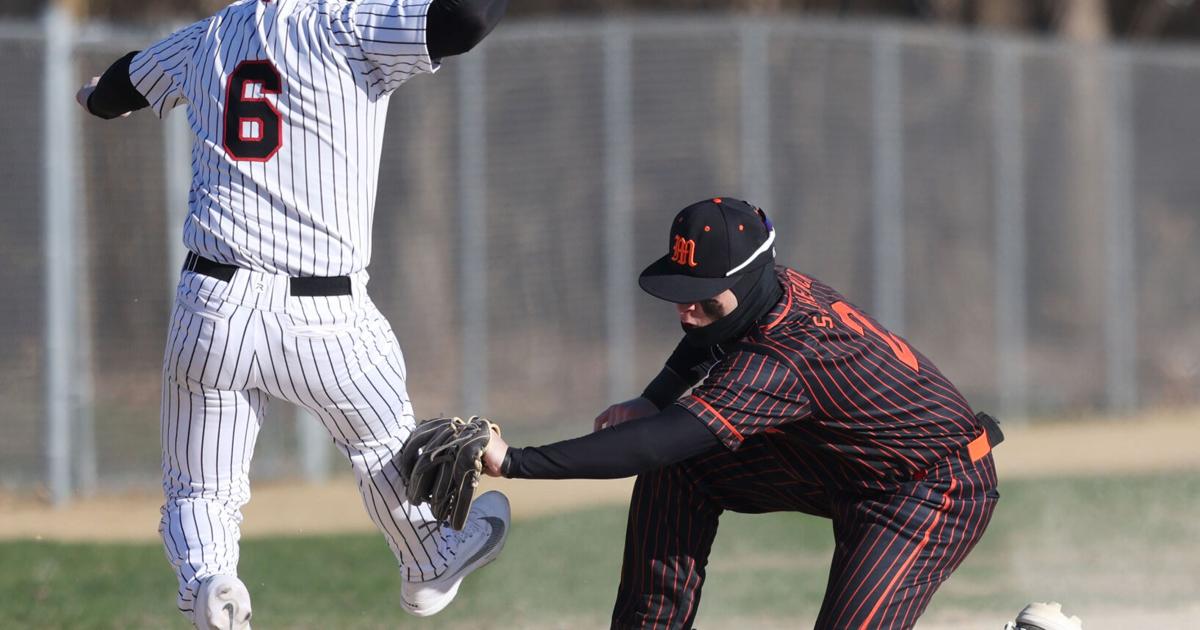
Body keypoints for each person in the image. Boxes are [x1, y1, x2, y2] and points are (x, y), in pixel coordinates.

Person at [75, 0, 509, 627]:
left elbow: (118, 87)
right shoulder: (349, 23)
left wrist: (92, 98)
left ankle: (210, 585)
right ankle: (430, 557)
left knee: (202, 490)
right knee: (383, 444)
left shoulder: (210, 36)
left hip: (212, 304)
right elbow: (465, 20)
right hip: (325, 313)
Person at [480, 197, 1003, 629]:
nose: (687, 309)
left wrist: (517, 461)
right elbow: (707, 340)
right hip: (838, 464)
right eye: (682, 292)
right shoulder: (775, 289)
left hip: (930, 488)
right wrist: (654, 397)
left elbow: (658, 441)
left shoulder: (785, 360)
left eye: (704, 297)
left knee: (675, 453)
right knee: (682, 473)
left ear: (749, 282)